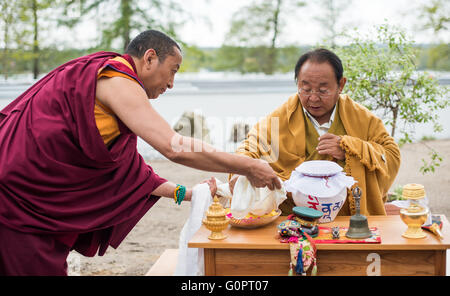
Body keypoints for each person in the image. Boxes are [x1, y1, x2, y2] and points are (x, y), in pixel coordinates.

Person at [0, 30, 281, 275]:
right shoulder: (117, 79)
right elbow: (174, 147)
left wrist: (190, 194)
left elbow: (133, 172)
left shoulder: (109, 86)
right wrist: (246, 165)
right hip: (15, 199)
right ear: (149, 58)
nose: (172, 83)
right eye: (173, 70)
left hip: (30, 202)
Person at [230, 48, 401, 216]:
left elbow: (391, 155)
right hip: (292, 219)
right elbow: (250, 146)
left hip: (346, 219)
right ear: (297, 84)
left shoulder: (361, 118)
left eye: (322, 90)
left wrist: (349, 148)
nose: (313, 98)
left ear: (341, 85)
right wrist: (242, 169)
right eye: (306, 89)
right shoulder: (280, 117)